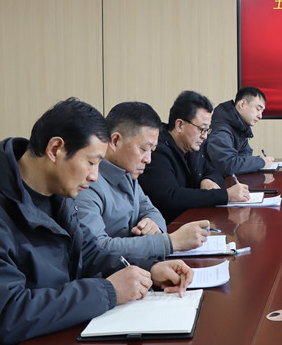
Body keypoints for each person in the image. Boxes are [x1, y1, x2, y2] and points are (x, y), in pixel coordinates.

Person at [0, 99, 193, 345]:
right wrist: (108, 291)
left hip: (58, 334)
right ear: (55, 149)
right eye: (91, 163)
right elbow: (6, 316)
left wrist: (146, 272)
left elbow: (89, 251)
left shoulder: (55, 188)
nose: (95, 176)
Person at [75, 102, 212, 263]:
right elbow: (97, 249)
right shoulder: (87, 183)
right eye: (143, 149)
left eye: (152, 151)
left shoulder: (127, 173)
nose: (148, 159)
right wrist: (170, 242)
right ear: (115, 140)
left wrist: (152, 224)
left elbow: (152, 211)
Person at [138, 91, 249, 223]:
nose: (204, 136)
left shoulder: (192, 146)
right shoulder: (157, 150)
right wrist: (225, 195)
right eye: (202, 129)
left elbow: (213, 171)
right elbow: (171, 197)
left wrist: (207, 180)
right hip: (169, 227)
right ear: (180, 125)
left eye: (207, 130)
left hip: (192, 220)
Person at [204, 86, 275, 175]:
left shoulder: (240, 128)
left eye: (262, 111)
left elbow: (244, 157)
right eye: (258, 109)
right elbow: (228, 165)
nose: (260, 116)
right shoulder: (221, 130)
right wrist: (261, 162)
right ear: (242, 104)